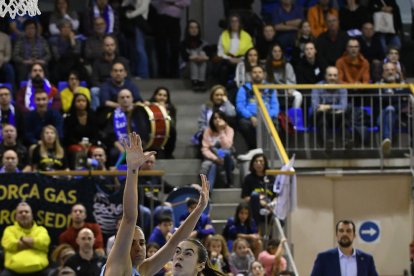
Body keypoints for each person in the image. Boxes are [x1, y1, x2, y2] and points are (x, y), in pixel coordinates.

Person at [101, 132, 210, 276]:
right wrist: (133, 170)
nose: (139, 248)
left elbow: (174, 243)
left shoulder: (142, 270)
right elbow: (129, 218)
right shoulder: (117, 263)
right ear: (119, 246)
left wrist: (199, 209)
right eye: (132, 243)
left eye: (141, 242)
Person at [310, 219, 378, 276]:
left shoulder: (367, 259)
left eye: (348, 231)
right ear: (336, 235)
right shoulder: (323, 258)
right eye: (341, 231)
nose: (344, 234)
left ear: (354, 235)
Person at [1, 202, 51, 275]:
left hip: (40, 271)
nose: (23, 214)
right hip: (13, 272)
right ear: (16, 217)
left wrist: (22, 239)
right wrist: (33, 243)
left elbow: (44, 243)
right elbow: (10, 244)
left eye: (26, 212)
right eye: (20, 212)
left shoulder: (41, 230)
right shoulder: (9, 230)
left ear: (32, 216)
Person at [236, 65, 279, 150]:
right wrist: (250, 116)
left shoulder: (270, 88)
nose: (257, 74)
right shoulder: (244, 88)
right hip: (250, 117)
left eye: (260, 72)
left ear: (264, 74)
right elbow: (239, 106)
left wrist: (266, 117)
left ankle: (268, 149)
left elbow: (275, 107)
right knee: (244, 124)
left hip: (266, 116)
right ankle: (254, 149)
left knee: (276, 124)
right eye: (254, 72)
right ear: (250, 75)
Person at [311, 66, 350, 149]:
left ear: (338, 76)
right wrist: (335, 108)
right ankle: (326, 143)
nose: (332, 78)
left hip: (337, 116)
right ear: (325, 76)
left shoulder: (342, 88)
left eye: (335, 75)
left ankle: (346, 142)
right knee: (322, 116)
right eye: (330, 75)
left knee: (344, 117)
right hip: (321, 116)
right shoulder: (317, 86)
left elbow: (343, 106)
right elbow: (315, 106)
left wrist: (328, 106)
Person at [152, 0, 191, 78]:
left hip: (175, 20)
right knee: (161, 47)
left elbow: (187, 2)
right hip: (161, 18)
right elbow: (154, 2)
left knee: (175, 46)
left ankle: (174, 72)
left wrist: (174, 3)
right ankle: (162, 72)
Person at [377, 62, 408, 156]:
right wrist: (398, 97)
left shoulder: (403, 85)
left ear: (397, 72)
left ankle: (386, 141)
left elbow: (405, 101)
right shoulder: (378, 85)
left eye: (392, 70)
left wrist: (392, 97)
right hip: (381, 116)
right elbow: (384, 100)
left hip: (400, 117)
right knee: (389, 109)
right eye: (387, 70)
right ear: (383, 73)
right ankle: (387, 140)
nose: (390, 72)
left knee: (390, 108)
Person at [63, 93, 100, 168]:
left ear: (87, 103)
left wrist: (91, 143)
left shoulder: (93, 115)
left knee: (97, 151)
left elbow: (96, 133)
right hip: (74, 143)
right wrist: (79, 143)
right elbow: (68, 135)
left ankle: (98, 171)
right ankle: (78, 171)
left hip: (91, 143)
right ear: (74, 103)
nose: (81, 103)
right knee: (79, 150)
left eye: (83, 101)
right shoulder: (69, 117)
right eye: (78, 101)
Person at [200, 110, 235, 189]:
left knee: (226, 152)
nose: (217, 120)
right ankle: (208, 195)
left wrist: (221, 131)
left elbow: (227, 146)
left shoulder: (229, 130)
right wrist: (216, 159)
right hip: (213, 158)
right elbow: (205, 149)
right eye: (215, 118)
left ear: (225, 120)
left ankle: (229, 180)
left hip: (227, 160)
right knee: (212, 165)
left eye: (220, 118)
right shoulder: (208, 131)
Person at [215, 14, 254, 85]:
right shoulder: (224, 35)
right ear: (229, 23)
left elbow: (251, 52)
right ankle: (223, 89)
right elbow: (220, 51)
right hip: (227, 60)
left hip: (242, 60)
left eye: (236, 21)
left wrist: (241, 59)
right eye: (232, 21)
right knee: (223, 69)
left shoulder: (246, 36)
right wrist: (229, 59)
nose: (234, 23)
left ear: (240, 23)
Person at [240, 153, 276, 226]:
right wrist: (260, 202)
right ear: (253, 164)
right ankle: (255, 228)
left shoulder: (271, 178)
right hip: (255, 207)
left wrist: (272, 204)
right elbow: (246, 197)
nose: (258, 163)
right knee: (254, 195)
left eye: (261, 161)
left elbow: (276, 195)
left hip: (270, 206)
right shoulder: (248, 178)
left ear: (265, 163)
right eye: (256, 161)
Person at [265, 43, 303, 109]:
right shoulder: (266, 66)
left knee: (298, 96)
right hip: (272, 90)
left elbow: (291, 80)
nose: (277, 53)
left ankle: (294, 116)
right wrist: (272, 89)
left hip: (286, 89)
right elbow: (265, 81)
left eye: (279, 51)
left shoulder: (287, 65)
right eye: (275, 51)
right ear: (271, 53)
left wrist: (289, 89)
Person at [147, 87, 177, 159]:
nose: (162, 97)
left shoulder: (171, 108)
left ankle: (168, 154)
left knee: (172, 131)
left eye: (164, 95)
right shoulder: (148, 106)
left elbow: (172, 124)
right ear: (155, 96)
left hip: (165, 134)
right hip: (151, 133)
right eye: (160, 95)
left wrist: (165, 112)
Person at [180, 19, 209, 91]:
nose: (194, 30)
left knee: (202, 54)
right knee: (194, 55)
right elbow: (185, 58)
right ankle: (195, 82)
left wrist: (201, 57)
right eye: (191, 27)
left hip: (203, 66)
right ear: (188, 30)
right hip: (187, 69)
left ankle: (201, 82)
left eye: (196, 27)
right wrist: (195, 57)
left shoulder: (204, 43)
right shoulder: (183, 44)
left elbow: (209, 56)